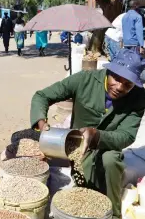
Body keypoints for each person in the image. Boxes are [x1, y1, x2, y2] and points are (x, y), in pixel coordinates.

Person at [30, 49, 145, 218]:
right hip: (77, 145)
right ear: (109, 71)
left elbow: (127, 135)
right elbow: (42, 96)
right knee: (85, 175)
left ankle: (113, 213)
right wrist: (42, 123)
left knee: (111, 160)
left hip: (109, 144)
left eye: (127, 84)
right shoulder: (84, 79)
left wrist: (97, 135)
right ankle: (82, 207)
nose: (119, 87)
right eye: (116, 79)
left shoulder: (139, 97)